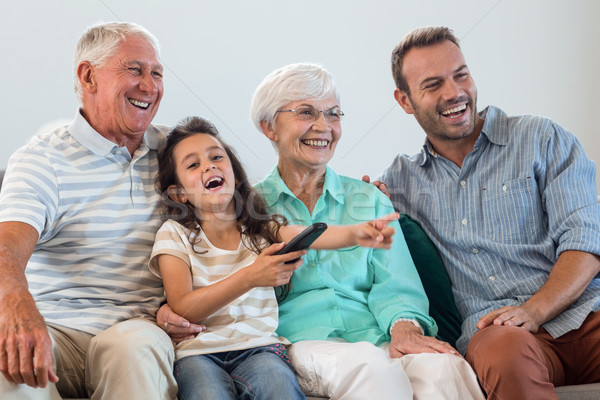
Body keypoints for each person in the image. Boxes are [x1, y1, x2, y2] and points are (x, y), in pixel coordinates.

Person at [372, 26, 600, 400]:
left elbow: (586, 238)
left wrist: (534, 310)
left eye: (460, 75)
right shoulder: (400, 182)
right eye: (432, 85)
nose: (454, 93)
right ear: (405, 101)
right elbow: (353, 227)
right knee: (503, 353)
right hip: (499, 334)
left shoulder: (541, 138)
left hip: (586, 313)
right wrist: (371, 204)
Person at [249, 62, 484, 400]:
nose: (323, 127)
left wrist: (404, 327)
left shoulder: (368, 199)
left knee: (445, 367)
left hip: (374, 336)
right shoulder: (249, 207)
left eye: (333, 114)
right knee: (368, 366)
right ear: (269, 127)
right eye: (306, 112)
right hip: (301, 342)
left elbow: (396, 282)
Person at [0, 22, 200, 400]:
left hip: (137, 328)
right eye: (134, 69)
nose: (149, 85)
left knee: (135, 349)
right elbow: (6, 248)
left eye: (157, 73)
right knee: (10, 370)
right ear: (88, 75)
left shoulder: (178, 155)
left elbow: (226, 231)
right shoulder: (42, 159)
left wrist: (177, 305)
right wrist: (15, 307)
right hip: (53, 327)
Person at [150, 115, 400, 400]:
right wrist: (251, 276)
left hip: (260, 348)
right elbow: (183, 308)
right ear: (178, 193)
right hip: (198, 354)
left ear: (233, 171)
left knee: (279, 386)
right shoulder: (175, 234)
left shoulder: (258, 227)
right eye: (193, 165)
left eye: (216, 157)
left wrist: (354, 233)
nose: (209, 165)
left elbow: (306, 233)